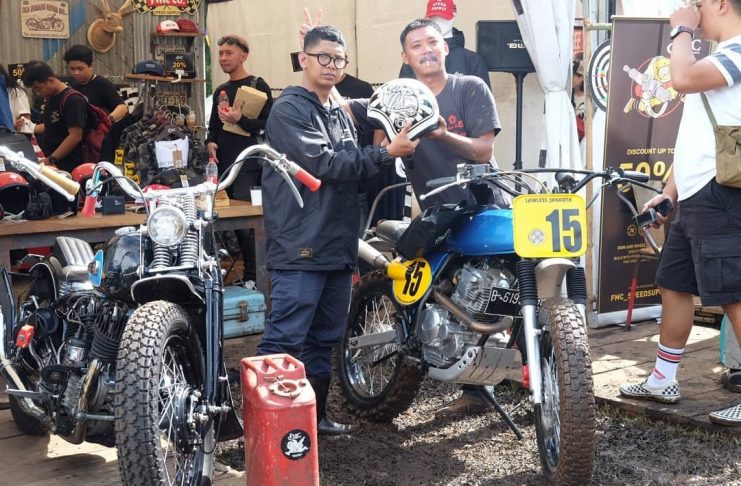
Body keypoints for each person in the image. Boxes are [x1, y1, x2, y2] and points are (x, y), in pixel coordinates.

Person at [256, 24, 418, 435]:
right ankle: (268, 428)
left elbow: (365, 129)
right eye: (323, 57)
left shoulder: (337, 109)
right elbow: (325, 164)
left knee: (324, 337)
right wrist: (386, 153)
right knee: (285, 336)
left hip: (339, 243)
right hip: (300, 244)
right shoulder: (289, 109)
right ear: (303, 59)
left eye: (339, 59)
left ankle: (313, 420)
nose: (331, 65)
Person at [619, 0, 741, 427]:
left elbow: (681, 79)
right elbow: (698, 137)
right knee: (673, 283)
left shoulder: (738, 52)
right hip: (694, 195)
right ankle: (662, 378)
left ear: (721, 4)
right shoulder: (720, 55)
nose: (692, 9)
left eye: (699, 4)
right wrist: (669, 193)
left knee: (733, 293)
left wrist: (682, 29)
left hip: (720, 194)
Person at [206, 34, 273, 285]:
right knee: (230, 222)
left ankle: (255, 277)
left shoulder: (258, 85)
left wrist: (240, 120)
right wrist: (210, 142)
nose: (223, 58)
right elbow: (213, 128)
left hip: (249, 165)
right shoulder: (220, 91)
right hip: (224, 167)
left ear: (243, 56)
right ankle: (246, 274)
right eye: (220, 53)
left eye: (229, 53)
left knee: (249, 224)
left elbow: (269, 125)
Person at [399, 0, 491, 91]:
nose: (438, 22)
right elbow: (402, 96)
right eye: (433, 18)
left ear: (453, 16)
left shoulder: (472, 60)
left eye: (443, 17)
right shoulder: (414, 58)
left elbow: (482, 98)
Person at [63, 45, 128, 162]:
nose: (76, 73)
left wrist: (107, 121)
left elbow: (122, 107)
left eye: (80, 69)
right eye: (72, 69)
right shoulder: (72, 85)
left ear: (91, 66)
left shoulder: (102, 84)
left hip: (99, 143)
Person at [21, 61, 86, 172]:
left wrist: (51, 159)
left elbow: (75, 136)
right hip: (55, 162)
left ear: (50, 81)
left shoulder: (72, 100)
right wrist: (27, 126)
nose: (38, 94)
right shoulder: (51, 98)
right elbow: (52, 126)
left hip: (72, 165)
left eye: (38, 89)